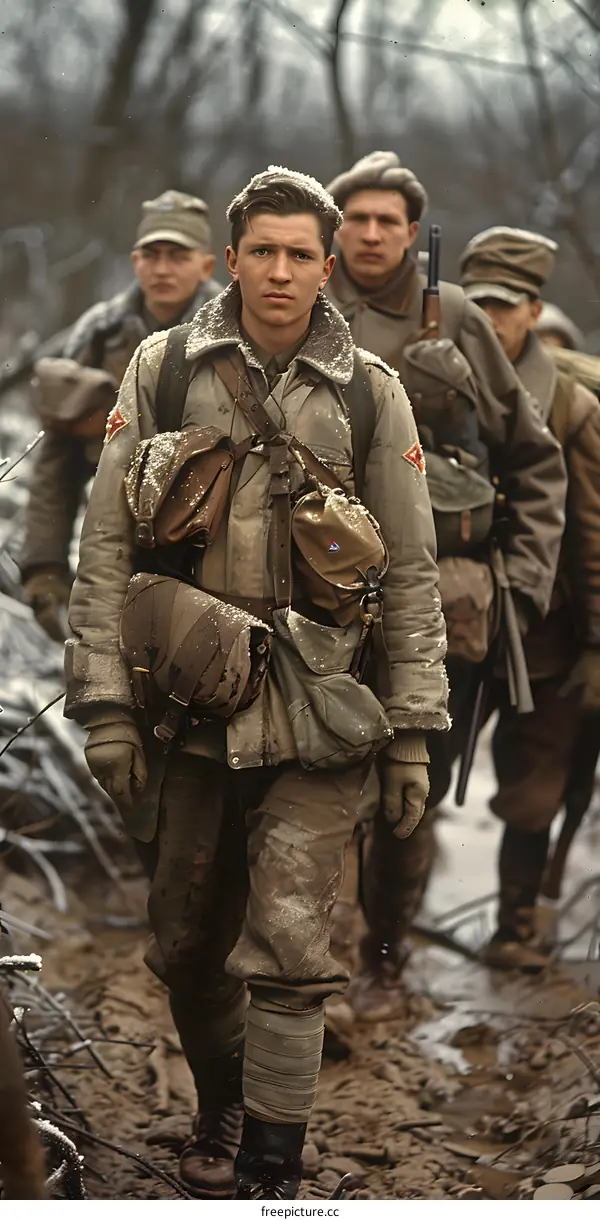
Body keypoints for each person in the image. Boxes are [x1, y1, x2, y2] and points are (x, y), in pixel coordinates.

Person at [63, 167, 449, 1199]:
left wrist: (413, 729)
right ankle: (223, 1103)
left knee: (291, 935)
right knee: (187, 939)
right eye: (262, 252)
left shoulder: (372, 391)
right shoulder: (160, 369)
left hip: (322, 706)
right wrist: (105, 705)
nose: (280, 271)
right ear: (230, 260)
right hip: (185, 703)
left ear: (328, 269)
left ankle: (274, 1160)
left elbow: (412, 571)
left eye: (299, 255)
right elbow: (104, 547)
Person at [324, 152, 567, 997]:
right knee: (319, 780)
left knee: (408, 792)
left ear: (411, 233)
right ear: (336, 229)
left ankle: (385, 954)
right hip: (321, 590)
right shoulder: (304, 303)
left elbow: (533, 457)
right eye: (357, 219)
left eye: (388, 221)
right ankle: (321, 975)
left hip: (439, 604)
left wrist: (521, 585)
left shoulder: (455, 315)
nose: (371, 233)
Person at [459, 226, 600, 969]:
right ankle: (378, 940)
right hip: (450, 621)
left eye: (505, 304)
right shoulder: (432, 380)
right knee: (408, 777)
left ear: (533, 310)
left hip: (546, 629)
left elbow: (593, 536)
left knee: (535, 787)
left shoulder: (574, 406)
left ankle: (516, 925)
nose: (490, 318)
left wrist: (597, 644)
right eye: (478, 302)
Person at [20, 190, 222, 641]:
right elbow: (57, 462)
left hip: (210, 553)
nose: (163, 268)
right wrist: (44, 567)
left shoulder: (233, 333)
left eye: (178, 256)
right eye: (152, 255)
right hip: (113, 547)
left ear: (207, 265)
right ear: (135, 261)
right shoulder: (100, 333)